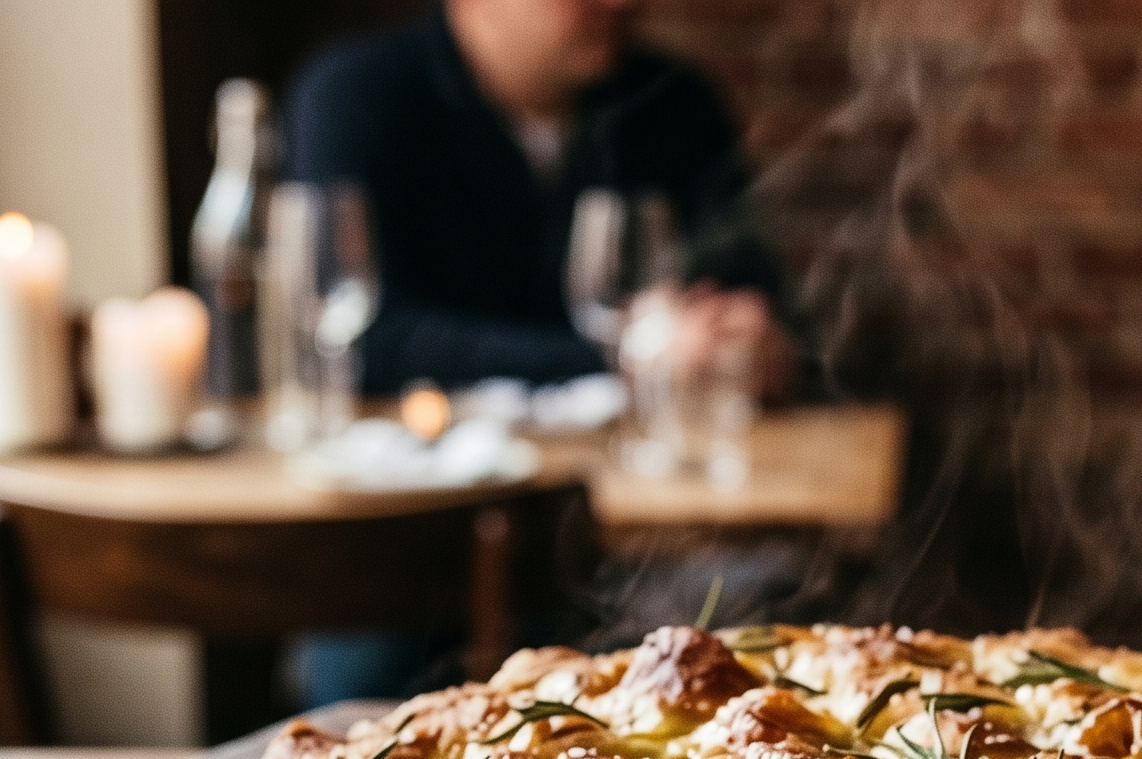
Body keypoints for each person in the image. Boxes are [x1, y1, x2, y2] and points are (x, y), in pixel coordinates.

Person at [281, 0, 795, 704]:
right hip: (419, 536)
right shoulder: (357, 94)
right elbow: (371, 339)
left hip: (631, 529)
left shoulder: (672, 102)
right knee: (365, 674)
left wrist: (746, 339)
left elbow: (755, 301)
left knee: (740, 628)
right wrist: (622, 356)